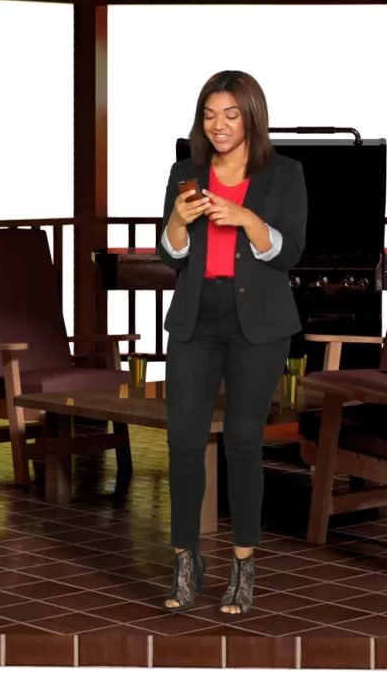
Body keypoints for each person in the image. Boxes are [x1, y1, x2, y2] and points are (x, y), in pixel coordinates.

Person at [155, 70, 307, 615]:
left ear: (251, 117)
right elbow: (171, 254)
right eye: (209, 115)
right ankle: (185, 560)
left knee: (243, 442)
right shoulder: (185, 172)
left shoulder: (284, 174)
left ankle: (243, 565)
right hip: (196, 318)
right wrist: (176, 220)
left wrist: (246, 218)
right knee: (183, 442)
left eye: (230, 115)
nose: (218, 126)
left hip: (257, 325)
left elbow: (290, 253)